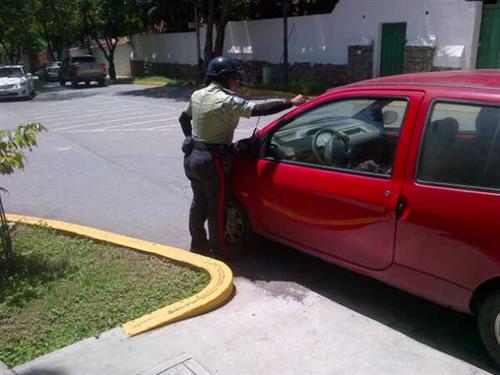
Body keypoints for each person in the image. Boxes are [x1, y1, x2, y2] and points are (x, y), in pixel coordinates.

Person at [179, 55, 306, 255]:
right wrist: (290, 102)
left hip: (193, 157)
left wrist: (188, 137)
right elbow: (257, 109)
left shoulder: (198, 94)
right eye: (234, 77)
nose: (236, 81)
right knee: (217, 207)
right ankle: (220, 250)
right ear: (226, 78)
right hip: (212, 160)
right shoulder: (225, 100)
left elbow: (183, 119)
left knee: (199, 203)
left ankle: (198, 245)